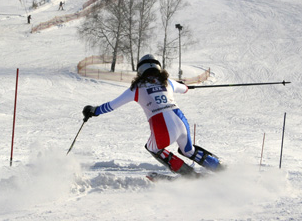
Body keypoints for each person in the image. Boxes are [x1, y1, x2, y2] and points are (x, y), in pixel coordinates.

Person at [82, 54, 223, 176]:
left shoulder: (136, 88)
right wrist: (179, 84)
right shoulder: (168, 82)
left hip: (163, 127)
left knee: (153, 147)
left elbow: (111, 105)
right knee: (188, 150)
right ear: (158, 68)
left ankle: (189, 175)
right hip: (181, 121)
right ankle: (220, 168)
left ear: (140, 70)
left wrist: (94, 111)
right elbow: (185, 89)